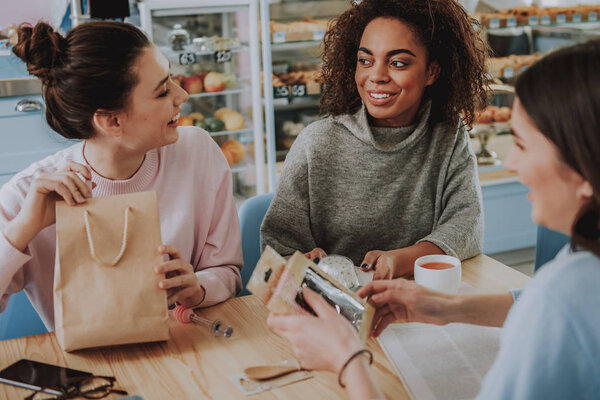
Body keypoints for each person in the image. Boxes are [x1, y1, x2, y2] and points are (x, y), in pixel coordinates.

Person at [268, 39, 600, 399]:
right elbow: (535, 301)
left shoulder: (562, 297)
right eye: (366, 60)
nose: (510, 163)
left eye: (521, 145)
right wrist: (448, 307)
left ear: (584, 166)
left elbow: (549, 304)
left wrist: (347, 360)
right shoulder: (575, 273)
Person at [0, 21, 243, 331]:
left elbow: (228, 272)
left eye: (172, 79)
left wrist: (198, 287)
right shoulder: (27, 195)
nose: (182, 95)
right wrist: (24, 228)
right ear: (111, 121)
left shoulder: (198, 153)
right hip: (88, 371)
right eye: (162, 92)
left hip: (186, 353)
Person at [260, 0, 488, 279]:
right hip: (333, 312)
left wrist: (403, 259)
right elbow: (275, 252)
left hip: (419, 304)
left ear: (432, 71)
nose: (376, 76)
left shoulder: (449, 135)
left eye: (397, 63)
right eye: (365, 61)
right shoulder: (316, 144)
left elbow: (466, 226)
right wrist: (300, 265)